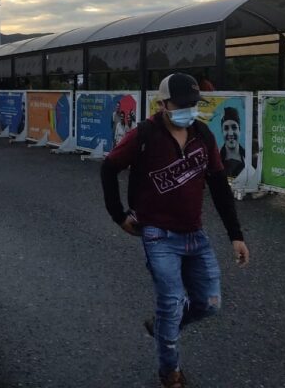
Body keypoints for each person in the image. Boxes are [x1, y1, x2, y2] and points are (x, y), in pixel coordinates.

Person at [100, 73, 250, 388]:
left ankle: (162, 326)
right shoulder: (144, 135)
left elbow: (219, 187)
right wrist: (119, 215)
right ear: (163, 104)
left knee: (209, 304)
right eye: (181, 105)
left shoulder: (203, 135)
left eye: (193, 105)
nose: (188, 111)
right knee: (171, 302)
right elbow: (109, 167)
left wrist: (236, 235)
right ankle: (171, 373)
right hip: (158, 235)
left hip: (195, 234)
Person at [220, 107, 245, 178]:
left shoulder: (249, 159)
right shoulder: (215, 160)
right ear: (222, 132)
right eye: (226, 128)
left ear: (239, 130)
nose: (230, 133)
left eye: (234, 127)